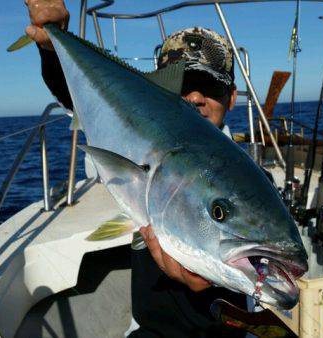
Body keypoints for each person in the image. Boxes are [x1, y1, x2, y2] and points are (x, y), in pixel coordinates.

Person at [25, 1, 247, 337]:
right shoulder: (135, 138)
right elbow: (83, 96)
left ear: (231, 98)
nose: (196, 97)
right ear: (156, 91)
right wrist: (50, 44)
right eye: (181, 85)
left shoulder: (248, 178)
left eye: (211, 86)